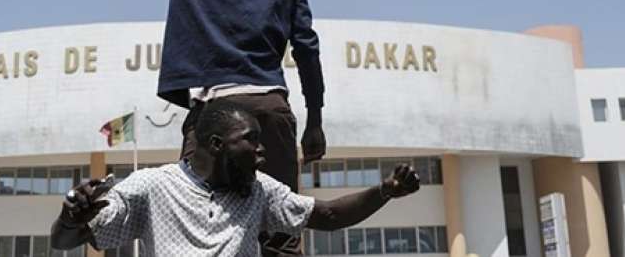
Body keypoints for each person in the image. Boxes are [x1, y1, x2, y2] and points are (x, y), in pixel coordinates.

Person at [45, 0, 326, 252]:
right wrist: (314, 119)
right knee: (282, 236)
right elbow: (307, 49)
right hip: (272, 110)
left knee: (199, 219)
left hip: (217, 114)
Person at [51, 100, 420, 256]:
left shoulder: (259, 191)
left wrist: (384, 191)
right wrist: (71, 217)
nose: (262, 152)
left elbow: (329, 216)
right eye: (251, 141)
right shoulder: (151, 186)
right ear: (216, 144)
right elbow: (66, 240)